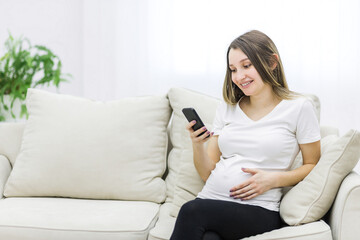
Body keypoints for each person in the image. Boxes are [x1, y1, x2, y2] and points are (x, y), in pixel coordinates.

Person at [170, 30, 321, 240]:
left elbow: (313, 165)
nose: (239, 77)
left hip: (259, 209)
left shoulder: (299, 107)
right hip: (210, 201)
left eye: (246, 65)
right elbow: (207, 173)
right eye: (233, 69)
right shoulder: (228, 107)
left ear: (271, 62)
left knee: (191, 211)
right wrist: (197, 145)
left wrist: (275, 179)